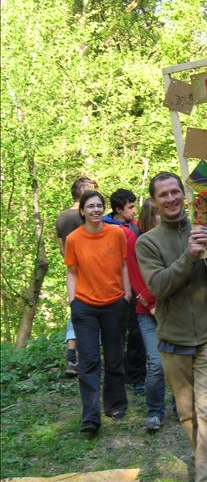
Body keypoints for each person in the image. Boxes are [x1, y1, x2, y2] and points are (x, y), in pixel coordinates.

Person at [136, 172, 207, 482]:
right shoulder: (147, 243)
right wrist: (189, 256)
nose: (171, 199)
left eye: (175, 192)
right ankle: (204, 460)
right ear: (155, 201)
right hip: (173, 339)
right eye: (163, 194)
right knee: (188, 413)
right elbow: (159, 286)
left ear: (184, 194)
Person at [64, 190, 130, 438]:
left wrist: (127, 294)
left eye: (99, 205)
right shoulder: (73, 239)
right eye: (90, 206)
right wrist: (73, 302)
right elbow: (72, 272)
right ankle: (90, 418)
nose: (95, 210)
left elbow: (123, 264)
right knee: (89, 360)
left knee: (114, 357)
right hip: (85, 306)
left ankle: (115, 405)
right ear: (82, 211)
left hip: (114, 303)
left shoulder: (117, 233)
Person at [124, 199, 167, 432]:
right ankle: (155, 411)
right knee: (156, 362)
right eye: (158, 213)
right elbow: (136, 277)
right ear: (149, 217)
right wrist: (151, 303)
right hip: (147, 311)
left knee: (178, 360)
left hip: (172, 309)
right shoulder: (136, 241)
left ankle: (182, 406)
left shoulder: (172, 238)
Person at [104, 188, 146, 395]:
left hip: (136, 284)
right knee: (115, 333)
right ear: (118, 210)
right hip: (113, 288)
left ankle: (136, 375)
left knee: (137, 332)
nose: (134, 210)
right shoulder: (104, 228)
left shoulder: (136, 226)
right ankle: (117, 374)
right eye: (130, 207)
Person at [56, 176, 98, 376]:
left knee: (77, 308)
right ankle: (85, 355)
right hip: (91, 270)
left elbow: (62, 249)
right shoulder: (86, 217)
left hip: (72, 269)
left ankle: (73, 354)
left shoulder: (62, 217)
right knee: (93, 310)